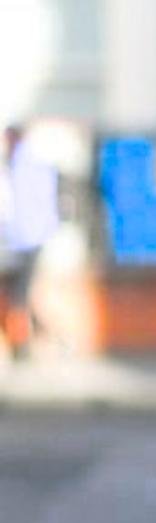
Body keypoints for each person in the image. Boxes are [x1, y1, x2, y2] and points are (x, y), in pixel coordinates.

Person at [1, 124, 60, 360]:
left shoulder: (24, 163)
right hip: (24, 239)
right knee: (20, 293)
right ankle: (31, 340)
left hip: (26, 239)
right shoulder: (23, 161)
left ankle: (23, 347)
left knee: (19, 295)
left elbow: (21, 206)